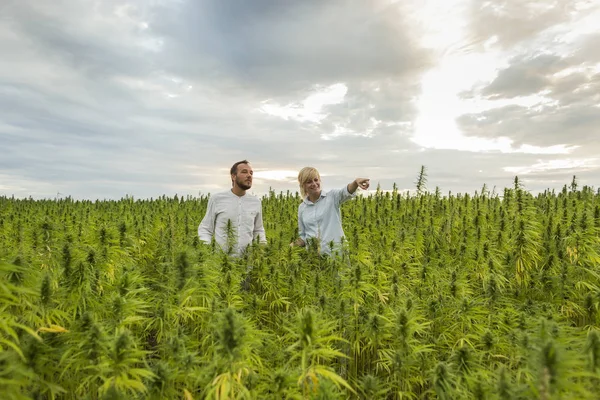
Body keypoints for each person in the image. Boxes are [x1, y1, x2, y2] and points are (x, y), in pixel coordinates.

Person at [292, 167, 369, 256]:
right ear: (303, 185)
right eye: (309, 182)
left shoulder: (332, 197)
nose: (314, 184)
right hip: (314, 258)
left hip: (336, 255)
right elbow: (303, 236)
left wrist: (356, 182)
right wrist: (289, 246)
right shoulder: (302, 208)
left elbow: (346, 192)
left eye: (316, 180)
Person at [198, 160, 267, 256]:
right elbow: (205, 228)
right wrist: (207, 251)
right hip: (221, 264)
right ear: (233, 176)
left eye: (251, 173)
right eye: (244, 172)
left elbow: (258, 230)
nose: (249, 175)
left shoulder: (256, 202)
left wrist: (262, 250)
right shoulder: (217, 199)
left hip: (247, 264)